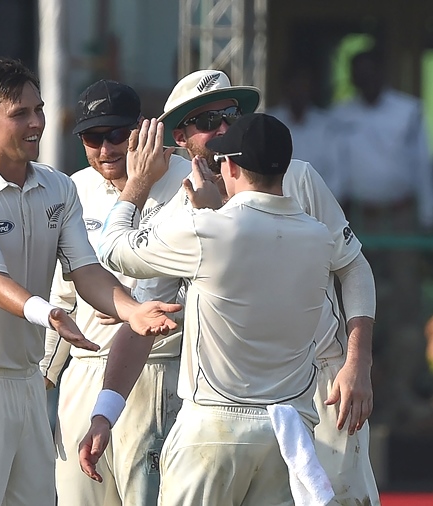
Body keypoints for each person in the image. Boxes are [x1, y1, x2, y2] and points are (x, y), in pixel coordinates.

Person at [82, 69, 379, 504]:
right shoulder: (182, 209)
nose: (223, 128)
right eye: (207, 122)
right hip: (241, 407)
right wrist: (106, 412)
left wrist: (358, 364)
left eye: (231, 115)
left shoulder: (295, 176)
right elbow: (147, 317)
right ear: (180, 137)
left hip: (323, 386)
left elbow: (355, 268)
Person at [0, 57, 179, 506]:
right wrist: (49, 314)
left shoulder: (59, 188)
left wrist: (132, 311)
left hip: (25, 382)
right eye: (19, 114)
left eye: (38, 110)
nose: (35, 123)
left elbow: (86, 270)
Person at [41, 79, 187, 506]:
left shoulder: (186, 182)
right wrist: (45, 378)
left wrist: (130, 307)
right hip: (84, 370)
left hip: (156, 371)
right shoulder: (73, 188)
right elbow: (62, 295)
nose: (105, 149)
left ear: (143, 129)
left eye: (117, 135)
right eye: (92, 137)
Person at [332, 48, 433, 426]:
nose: (366, 80)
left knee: (406, 306)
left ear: (383, 73)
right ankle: (365, 391)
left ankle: (404, 396)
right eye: (359, 73)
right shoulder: (342, 115)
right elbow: (339, 169)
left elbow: (421, 165)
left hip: (402, 217)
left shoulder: (406, 110)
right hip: (361, 219)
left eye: (372, 71)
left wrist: (427, 217)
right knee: (359, 307)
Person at [268, 64, 343, 201]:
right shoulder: (270, 122)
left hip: (318, 207)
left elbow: (335, 173)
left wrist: (325, 207)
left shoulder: (326, 126)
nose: (299, 91)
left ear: (312, 89)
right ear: (284, 87)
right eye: (294, 85)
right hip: (279, 206)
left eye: (303, 85)